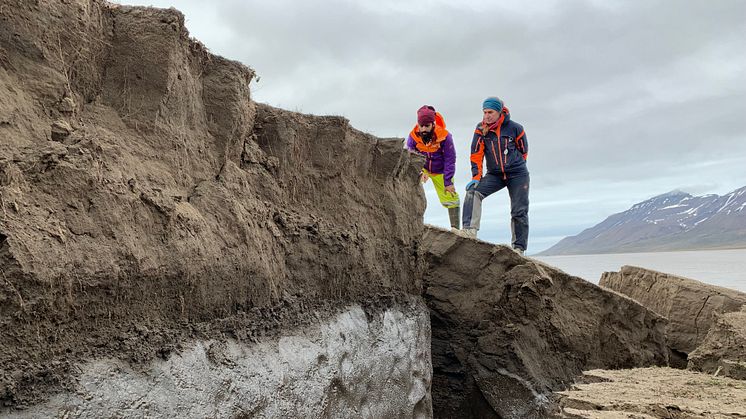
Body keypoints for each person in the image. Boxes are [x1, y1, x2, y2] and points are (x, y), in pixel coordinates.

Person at [461, 97, 529, 254]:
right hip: (495, 174)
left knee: (519, 211)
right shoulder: (480, 129)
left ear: (499, 112)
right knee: (473, 192)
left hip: (517, 174)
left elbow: (523, 151)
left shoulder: (515, 128)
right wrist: (476, 177)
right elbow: (476, 154)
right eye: (484, 112)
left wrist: (514, 165)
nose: (486, 116)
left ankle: (519, 248)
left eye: (490, 112)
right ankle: (469, 231)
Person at [406, 105, 460, 229]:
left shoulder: (445, 136)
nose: (423, 129)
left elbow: (450, 160)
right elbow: (409, 157)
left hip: (440, 170)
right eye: (421, 126)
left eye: (427, 126)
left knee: (451, 197)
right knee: (409, 183)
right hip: (423, 167)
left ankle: (455, 229)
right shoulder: (413, 136)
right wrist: (419, 172)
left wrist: (448, 182)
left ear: (433, 124)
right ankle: (412, 225)